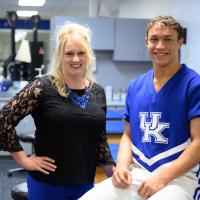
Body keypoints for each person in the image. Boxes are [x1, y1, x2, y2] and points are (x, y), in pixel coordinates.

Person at [79, 15, 200, 200]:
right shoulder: (136, 86)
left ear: (180, 43)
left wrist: (162, 179)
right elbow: (128, 135)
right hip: (139, 173)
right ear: (146, 42)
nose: (160, 46)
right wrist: (120, 167)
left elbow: (199, 142)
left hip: (179, 178)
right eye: (154, 39)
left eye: (168, 39)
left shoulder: (193, 85)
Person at [0, 22, 115, 200]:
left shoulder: (97, 91)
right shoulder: (42, 87)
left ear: (89, 56)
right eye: (69, 53)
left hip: (84, 182)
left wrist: (112, 171)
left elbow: (99, 137)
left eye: (81, 53)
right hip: (48, 184)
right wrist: (24, 160)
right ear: (60, 56)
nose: (75, 59)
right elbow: (3, 119)